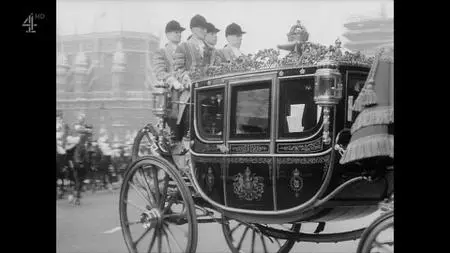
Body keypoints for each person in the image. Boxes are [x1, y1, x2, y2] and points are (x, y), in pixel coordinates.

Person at [172, 14, 210, 150]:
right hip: (189, 94)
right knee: (189, 119)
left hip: (209, 92)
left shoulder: (210, 50)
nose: (205, 31)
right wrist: (186, 78)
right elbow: (177, 70)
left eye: (206, 29)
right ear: (193, 29)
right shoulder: (183, 47)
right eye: (202, 28)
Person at [153, 20, 186, 138]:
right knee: (174, 130)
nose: (178, 34)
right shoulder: (161, 53)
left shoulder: (184, 51)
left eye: (179, 32)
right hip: (172, 98)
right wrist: (173, 81)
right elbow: (159, 72)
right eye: (175, 32)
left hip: (186, 94)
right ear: (167, 35)